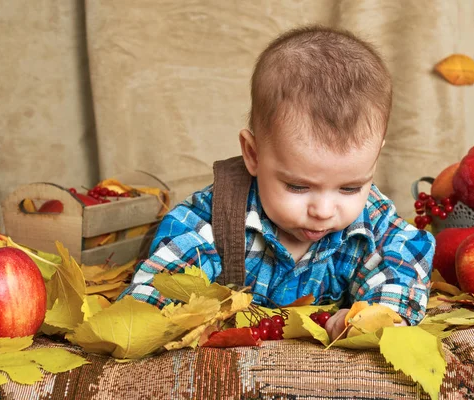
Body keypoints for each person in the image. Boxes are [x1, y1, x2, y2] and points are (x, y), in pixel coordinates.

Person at [119, 25, 435, 340]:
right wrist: (156, 318)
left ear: (374, 161)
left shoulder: (372, 221)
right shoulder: (215, 219)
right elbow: (158, 286)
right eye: (298, 187)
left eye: (349, 187)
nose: (324, 210)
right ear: (253, 154)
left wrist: (378, 316)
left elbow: (402, 266)